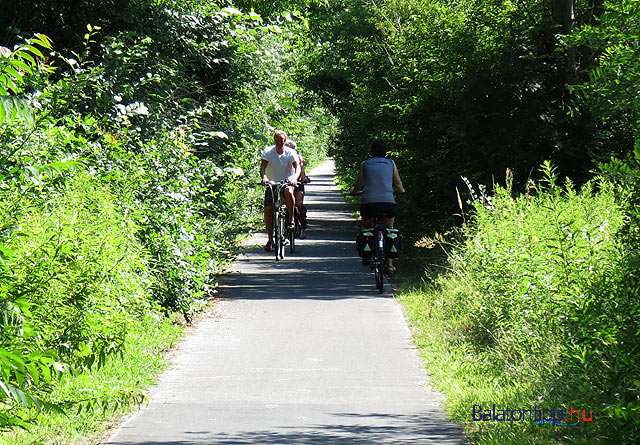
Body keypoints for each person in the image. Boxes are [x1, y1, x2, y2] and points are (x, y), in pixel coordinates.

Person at [350, 139, 405, 273]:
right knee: (389, 229)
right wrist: (401, 190)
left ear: (372, 151)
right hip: (387, 203)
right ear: (385, 151)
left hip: (369, 203)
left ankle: (368, 252)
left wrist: (354, 192)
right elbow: (397, 183)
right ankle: (390, 265)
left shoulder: (365, 164)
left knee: (367, 226)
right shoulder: (391, 163)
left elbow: (359, 184)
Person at [260, 130, 300, 251]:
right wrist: (264, 177)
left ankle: (291, 220)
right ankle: (270, 240)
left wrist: (294, 178)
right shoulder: (268, 152)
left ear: (285, 141)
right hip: (272, 183)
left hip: (286, 182)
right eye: (277, 141)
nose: (279, 143)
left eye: (281, 141)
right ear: (274, 141)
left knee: (288, 192)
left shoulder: (290, 152)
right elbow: (263, 167)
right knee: (268, 209)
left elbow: (297, 167)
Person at [284, 139, 309, 238]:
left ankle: (302, 225)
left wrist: (303, 178)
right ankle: (283, 225)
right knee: (283, 205)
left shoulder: (298, 158)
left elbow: (301, 170)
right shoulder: (283, 156)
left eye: (293, 148)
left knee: (298, 203)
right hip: (286, 183)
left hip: (297, 183)